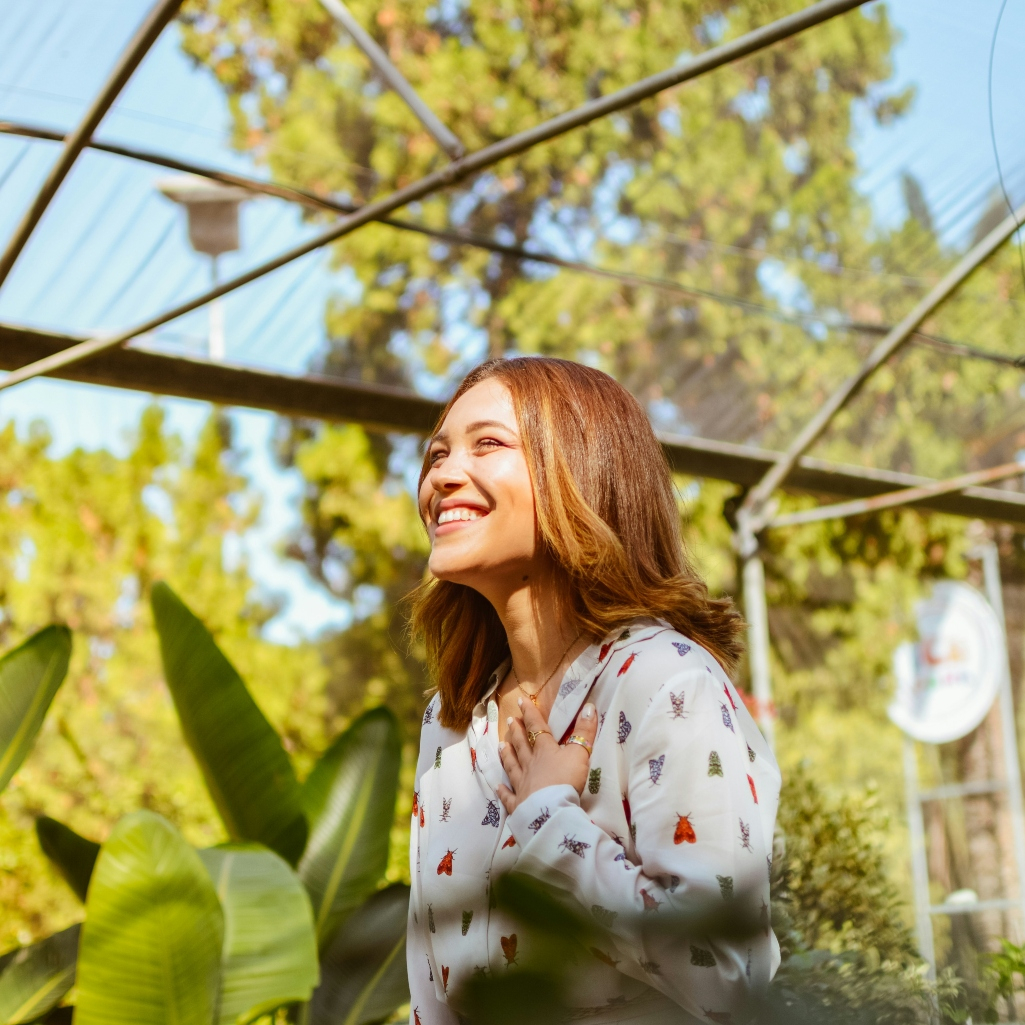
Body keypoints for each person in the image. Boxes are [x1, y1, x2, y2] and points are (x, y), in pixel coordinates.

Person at [407, 357, 780, 1025]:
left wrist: (550, 819)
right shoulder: (451, 719)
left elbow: (728, 975)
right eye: (436, 453)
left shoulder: (667, 683)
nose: (441, 474)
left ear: (581, 470)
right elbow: (431, 986)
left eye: (486, 443)